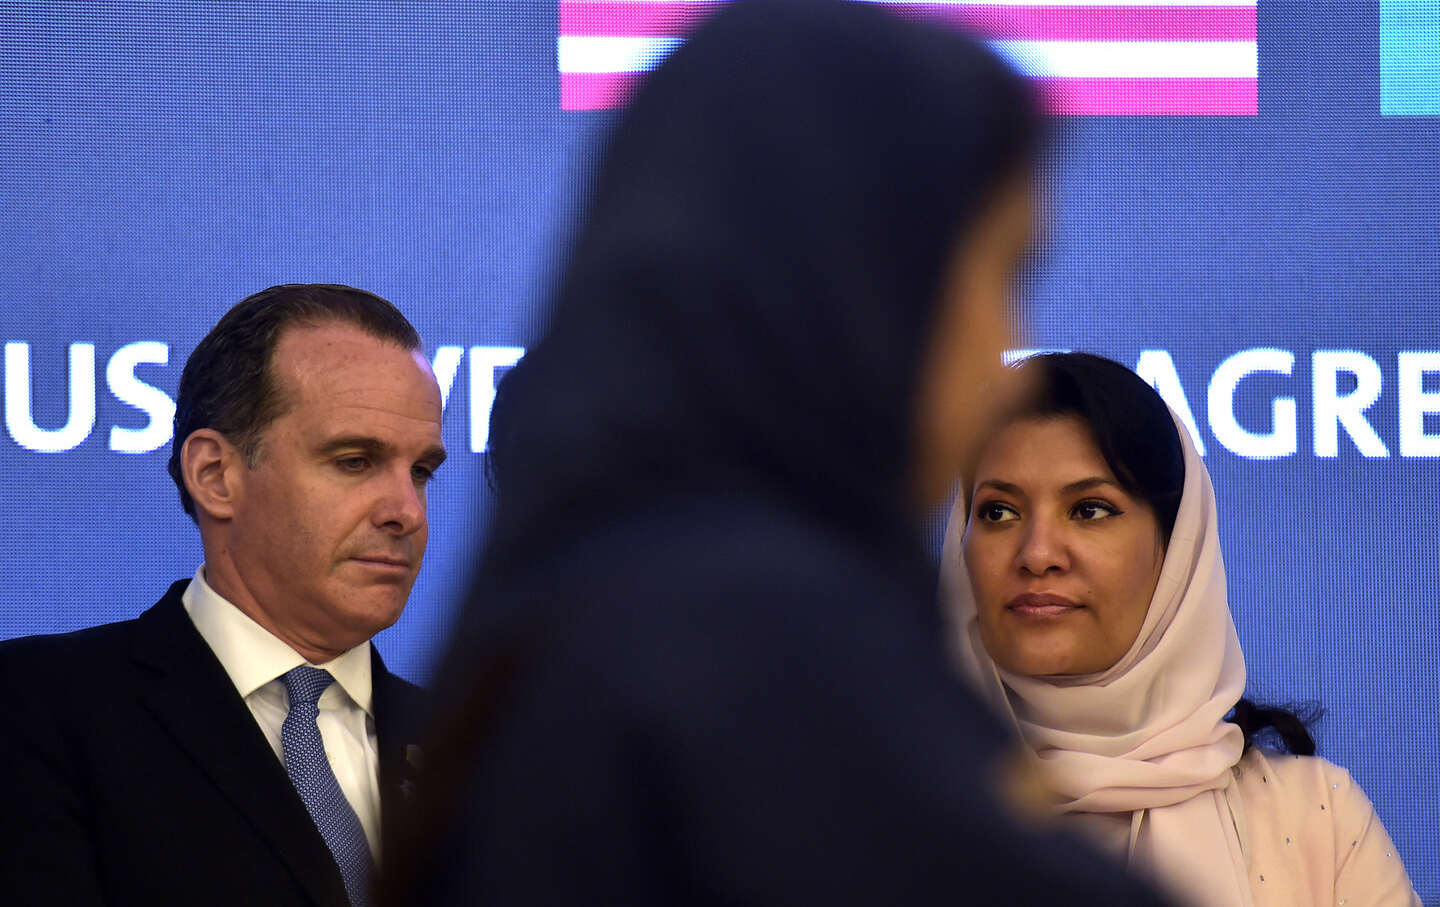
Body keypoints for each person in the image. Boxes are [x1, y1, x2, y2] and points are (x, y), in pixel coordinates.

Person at [388, 2, 1170, 904]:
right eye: (999, 276)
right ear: (846, 285)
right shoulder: (750, 644)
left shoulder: (591, 611)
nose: (1011, 364)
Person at [0, 284, 445, 906]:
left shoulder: (481, 749)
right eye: (354, 460)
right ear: (215, 476)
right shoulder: (32, 708)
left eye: (421, 471)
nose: (406, 511)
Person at [941, 351, 1420, 906]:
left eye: (1090, 509)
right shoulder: (881, 805)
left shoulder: (1316, 817)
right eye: (999, 512)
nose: (1038, 553)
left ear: (1175, 551)